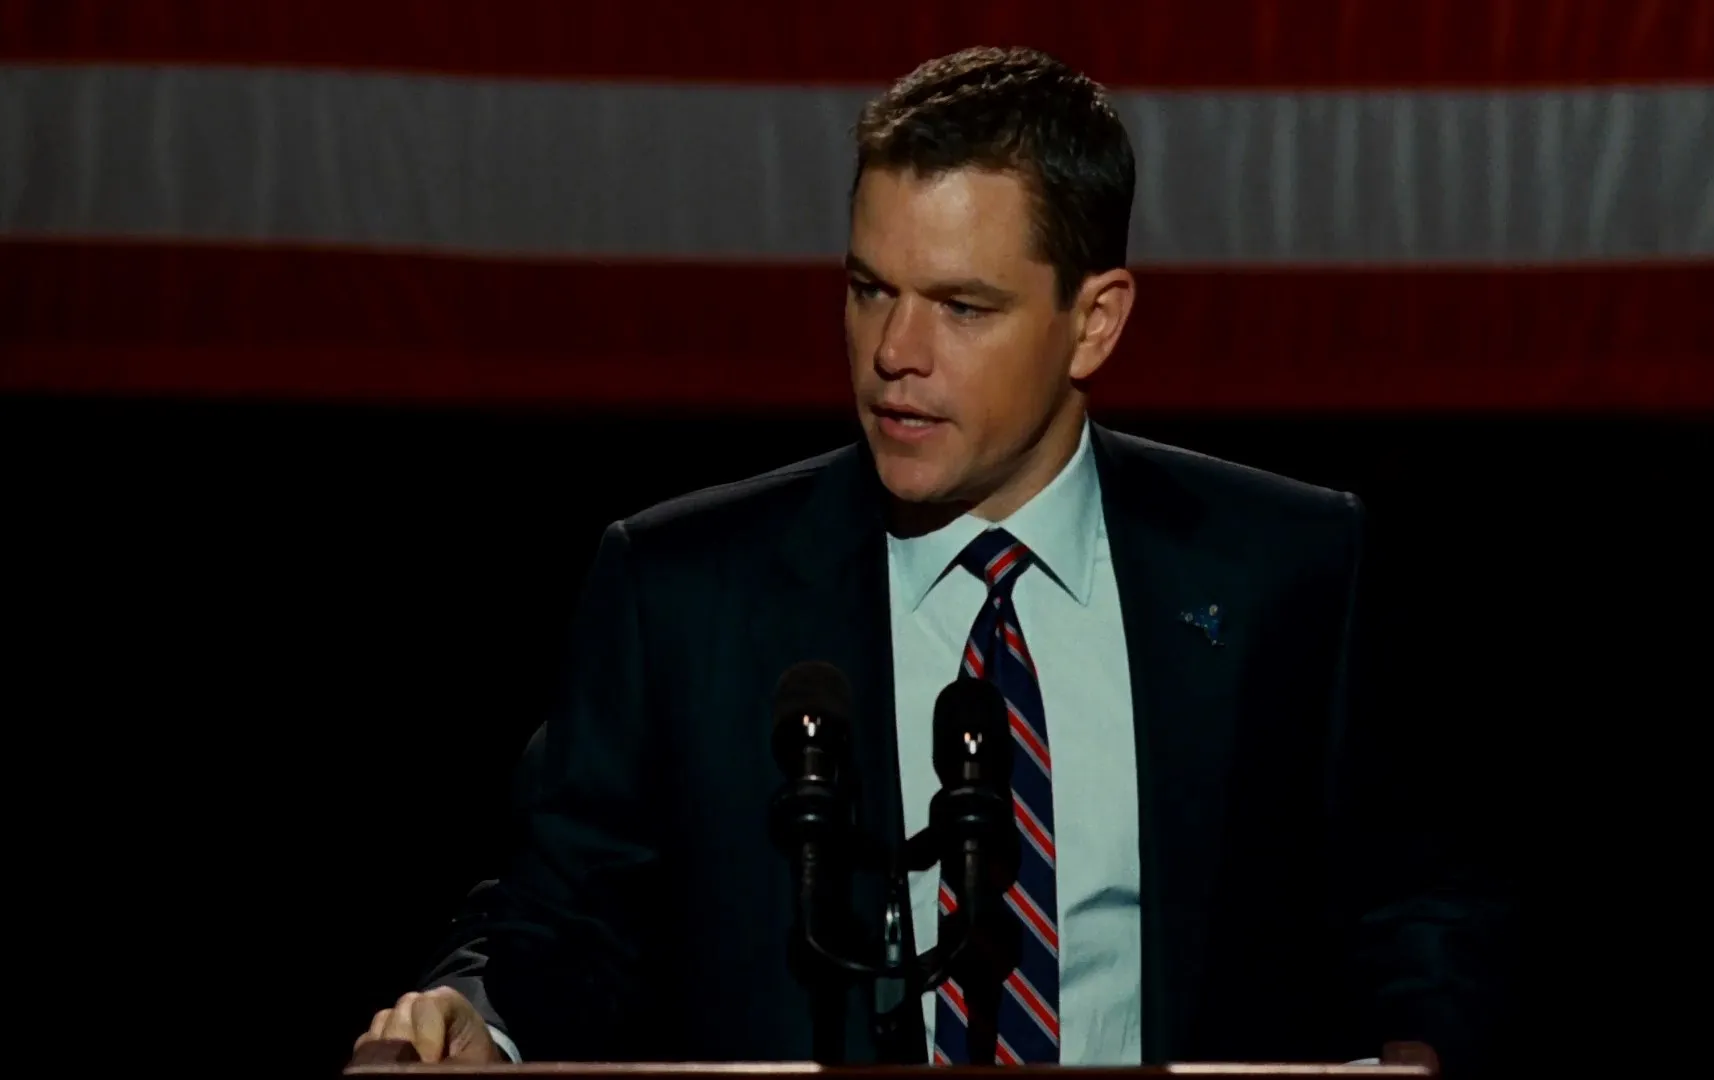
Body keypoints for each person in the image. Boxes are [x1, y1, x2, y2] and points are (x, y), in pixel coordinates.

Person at [354, 46, 1504, 1074]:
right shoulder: (682, 591)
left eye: (961, 306)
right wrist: (479, 1022)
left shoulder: (1285, 571)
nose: (894, 353)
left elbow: (1417, 909)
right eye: (870, 291)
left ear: (1094, 322)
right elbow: (559, 919)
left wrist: (1416, 1055)